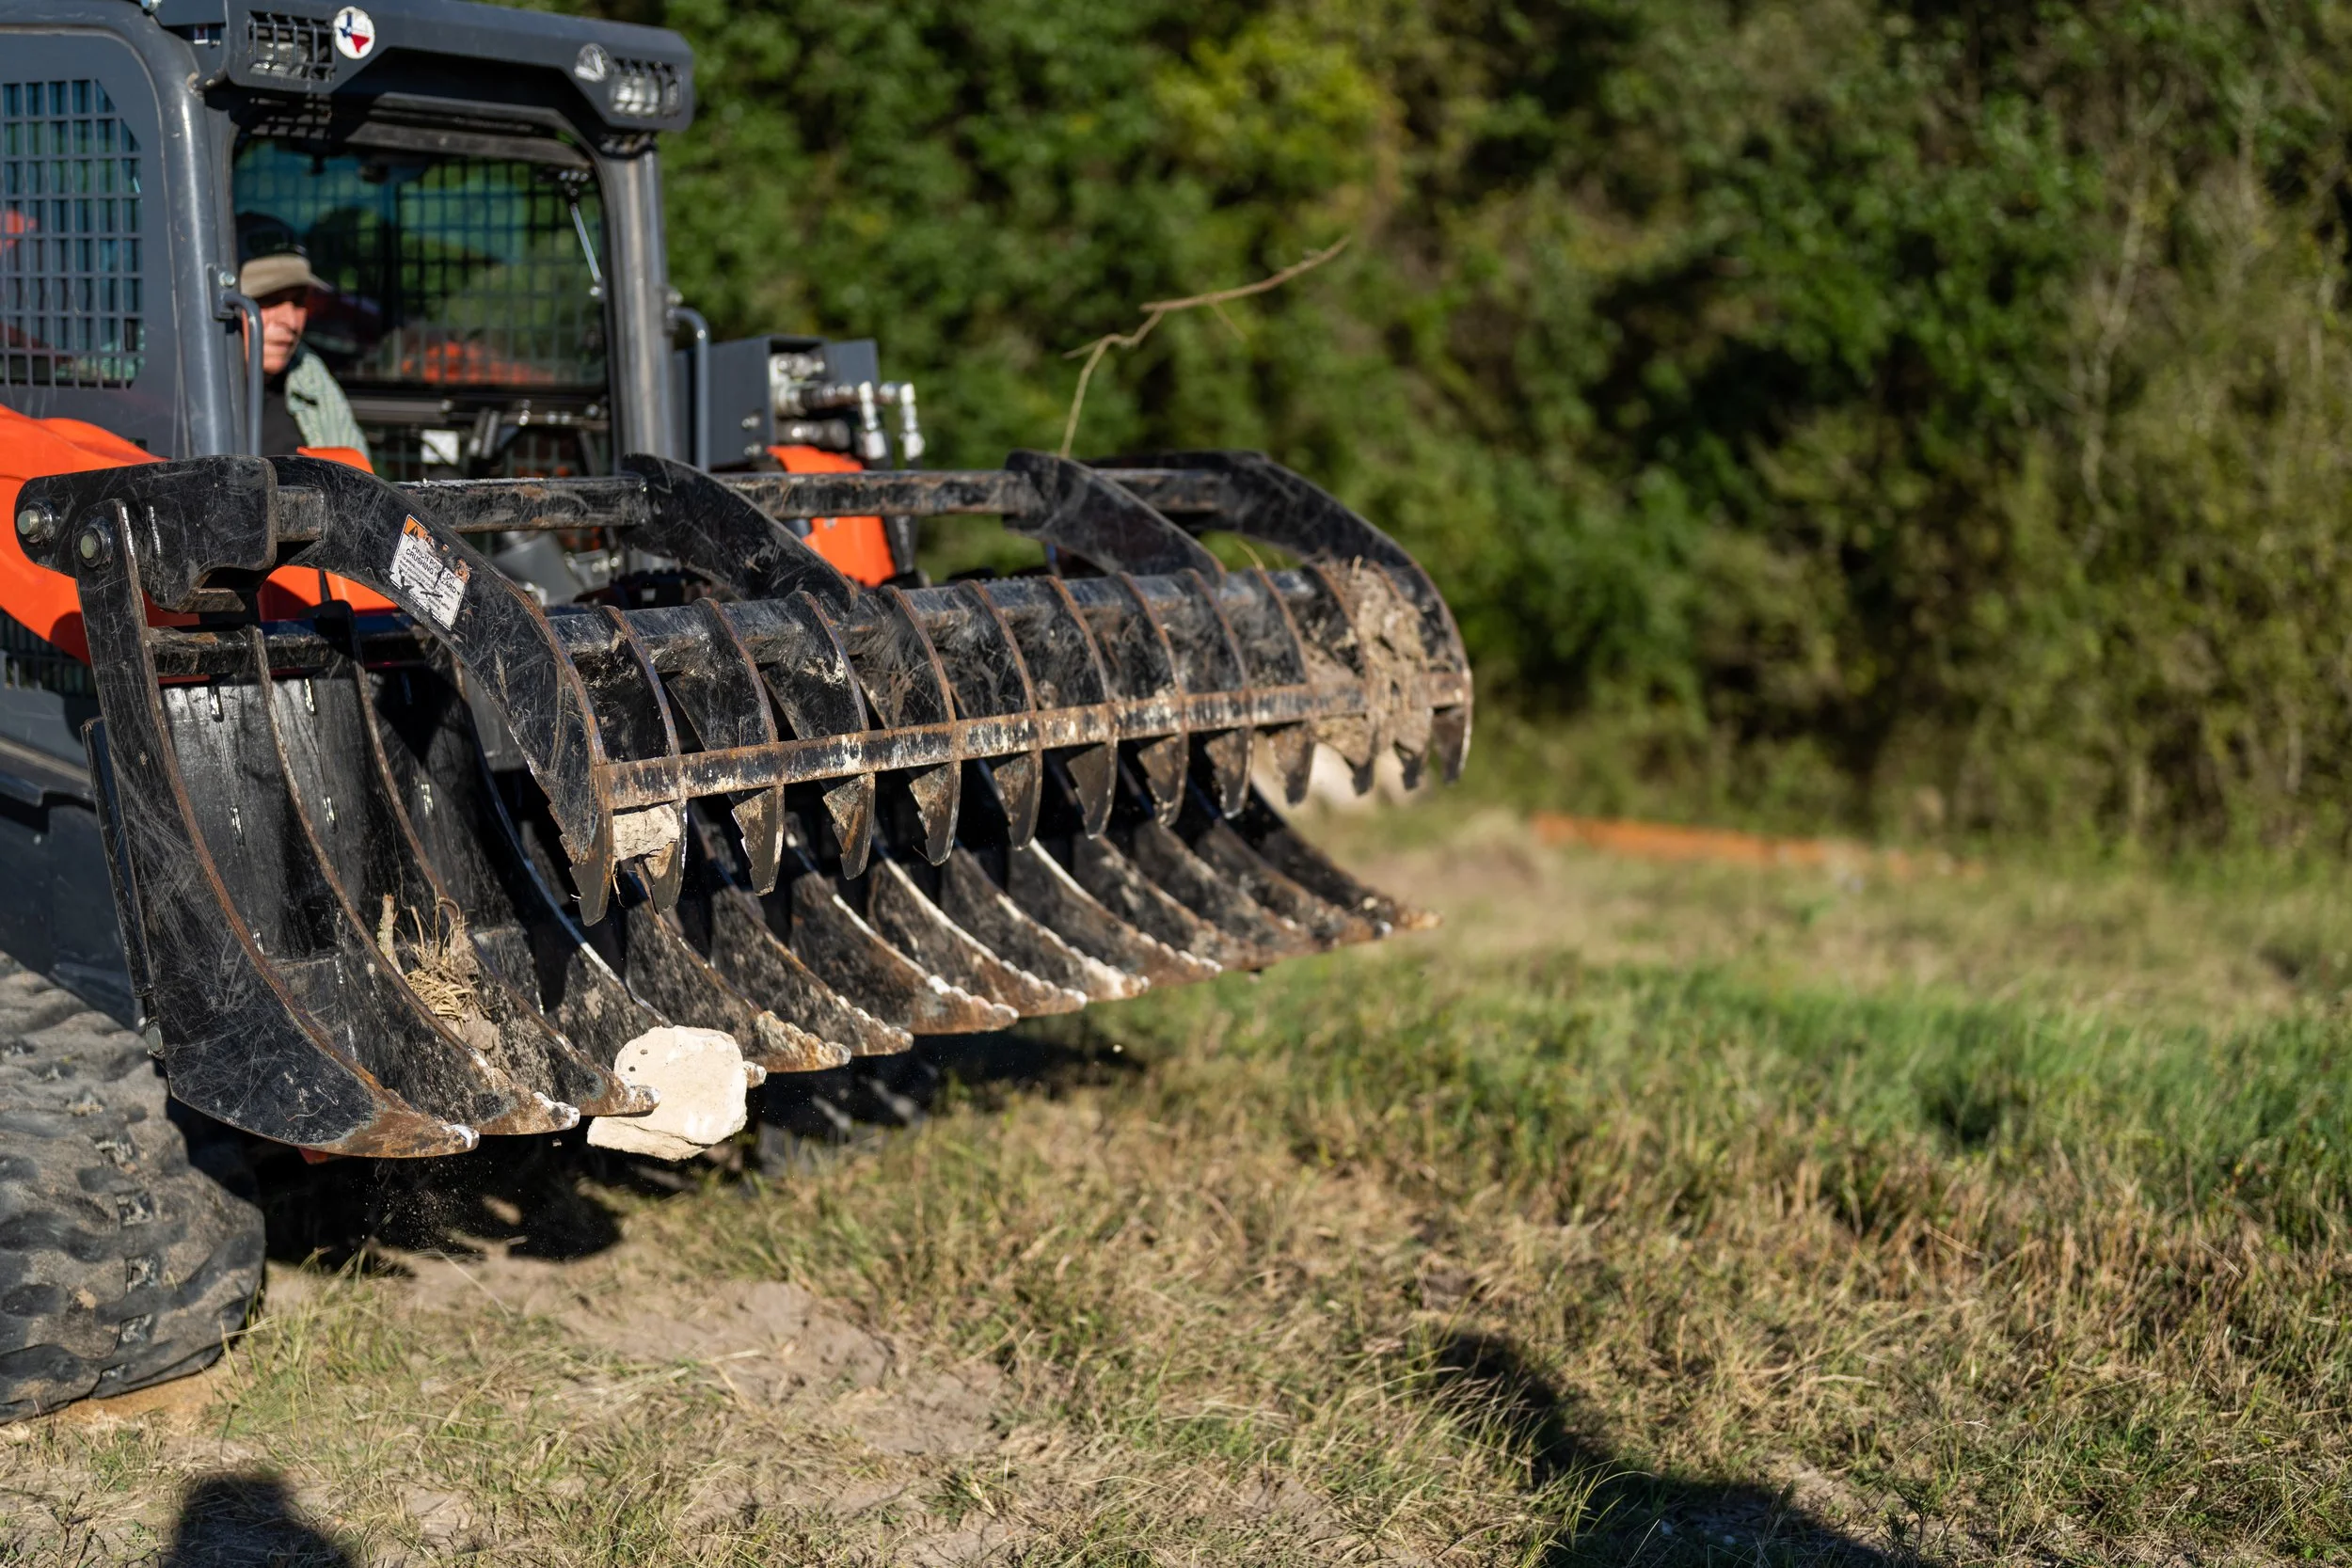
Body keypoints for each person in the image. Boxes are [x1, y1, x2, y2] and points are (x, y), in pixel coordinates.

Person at [237, 235, 370, 464]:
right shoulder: (171, 395)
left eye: (299, 302)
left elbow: (361, 488)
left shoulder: (308, 374)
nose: (290, 320)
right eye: (269, 299)